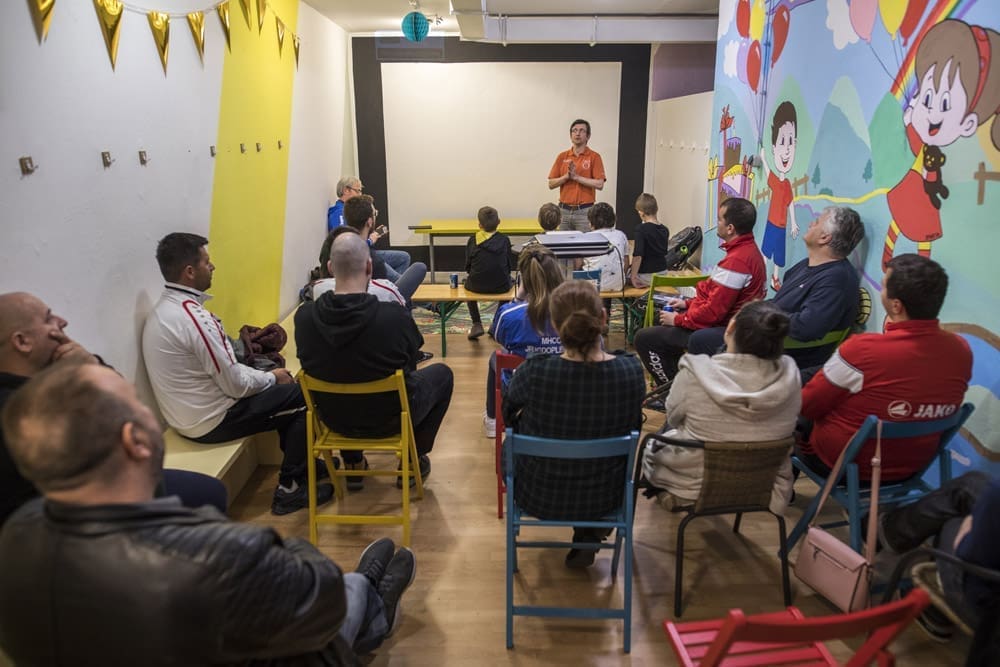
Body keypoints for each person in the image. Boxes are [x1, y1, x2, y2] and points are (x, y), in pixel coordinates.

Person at [0, 362, 416, 665]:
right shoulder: (216, 556)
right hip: (303, 628)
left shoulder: (16, 537)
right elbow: (322, 597)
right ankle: (375, 599)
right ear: (134, 442)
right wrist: (284, 548)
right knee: (345, 592)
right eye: (139, 403)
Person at [142, 233, 330, 515]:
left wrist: (267, 377)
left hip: (187, 417)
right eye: (207, 262)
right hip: (212, 420)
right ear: (189, 271)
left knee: (284, 395)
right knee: (303, 395)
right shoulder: (194, 319)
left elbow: (225, 372)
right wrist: (273, 377)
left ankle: (306, 466)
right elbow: (235, 385)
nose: (213, 266)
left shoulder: (165, 310)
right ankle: (290, 489)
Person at [0, 292, 227, 525]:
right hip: (78, 519)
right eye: (48, 318)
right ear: (22, 342)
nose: (62, 322)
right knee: (208, 496)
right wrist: (90, 370)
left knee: (209, 491)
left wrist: (91, 364)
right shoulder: (27, 411)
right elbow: (130, 423)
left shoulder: (44, 382)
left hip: (98, 489)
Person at [503, 280, 645, 568]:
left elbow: (508, 414)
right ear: (603, 317)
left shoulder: (535, 371)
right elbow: (633, 425)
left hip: (538, 494)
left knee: (513, 439)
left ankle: (587, 533)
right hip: (606, 496)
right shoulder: (631, 371)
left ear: (555, 326)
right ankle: (589, 532)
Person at [295, 232, 453, 490]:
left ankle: (353, 463)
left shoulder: (304, 319)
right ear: (369, 267)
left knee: (341, 373)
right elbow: (411, 357)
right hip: (391, 417)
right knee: (443, 375)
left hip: (332, 420)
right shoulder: (393, 317)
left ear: (330, 268)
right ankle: (411, 461)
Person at [798, 254, 972, 481]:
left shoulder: (862, 350)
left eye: (883, 286)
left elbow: (807, 406)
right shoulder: (961, 349)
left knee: (793, 411)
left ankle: (781, 492)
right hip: (914, 465)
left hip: (848, 464)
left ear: (896, 305)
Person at [641, 301, 801, 512]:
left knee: (656, 443)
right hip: (765, 487)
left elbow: (673, 417)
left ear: (730, 328)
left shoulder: (695, 373)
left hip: (694, 485)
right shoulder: (791, 376)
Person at [687, 206, 864, 374]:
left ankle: (715, 392)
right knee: (707, 333)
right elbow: (779, 303)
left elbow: (807, 327)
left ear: (824, 238)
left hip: (786, 352)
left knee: (701, 339)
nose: (811, 224)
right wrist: (751, 313)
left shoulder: (837, 279)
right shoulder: (805, 266)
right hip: (769, 337)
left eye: (816, 222)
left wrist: (759, 320)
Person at [633, 197, 766, 387]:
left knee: (644, 338)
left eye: (719, 219)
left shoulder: (737, 261)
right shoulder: (747, 252)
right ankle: (679, 384)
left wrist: (678, 320)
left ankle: (671, 391)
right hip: (723, 323)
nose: (717, 223)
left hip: (723, 330)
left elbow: (713, 312)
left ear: (730, 228)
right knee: (661, 318)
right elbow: (714, 296)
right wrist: (687, 303)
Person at [878, 472, 1000, 648]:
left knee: (954, 521)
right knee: (969, 486)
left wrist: (971, 524)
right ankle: (889, 532)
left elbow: (966, 551)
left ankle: (934, 610)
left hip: (987, 611)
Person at [482, 245, 565, 438]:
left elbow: (499, 337)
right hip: (567, 389)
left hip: (521, 393)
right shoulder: (577, 311)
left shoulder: (509, 314)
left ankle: (493, 419)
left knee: (497, 356)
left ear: (524, 280)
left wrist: (518, 298)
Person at [343, 195, 426, 300]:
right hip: (378, 298)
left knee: (403, 258)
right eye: (375, 214)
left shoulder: (342, 243)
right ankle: (421, 302)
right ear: (369, 222)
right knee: (413, 273)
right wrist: (370, 241)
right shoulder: (375, 263)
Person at [329, 176, 411, 280]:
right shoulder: (339, 213)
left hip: (366, 250)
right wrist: (370, 241)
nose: (360, 195)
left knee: (404, 258)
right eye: (358, 191)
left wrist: (372, 234)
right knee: (400, 280)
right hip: (358, 256)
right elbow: (346, 245)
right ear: (346, 190)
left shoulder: (348, 211)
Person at [759, 101, 801, 291]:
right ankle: (762, 276)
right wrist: (764, 159)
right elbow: (768, 173)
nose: (787, 150)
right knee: (767, 251)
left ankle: (775, 278)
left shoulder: (787, 185)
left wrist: (794, 223)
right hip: (772, 223)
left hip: (782, 226)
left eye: (791, 142)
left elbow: (790, 203)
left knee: (779, 255)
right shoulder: (776, 181)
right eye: (782, 142)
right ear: (774, 147)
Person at [311, 226, 406, 306]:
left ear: (330, 267)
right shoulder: (386, 290)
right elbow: (403, 310)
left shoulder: (316, 290)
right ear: (369, 267)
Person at [547, 119, 606, 232]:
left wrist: (576, 177)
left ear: (588, 136)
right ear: (570, 135)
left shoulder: (594, 157)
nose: (577, 133)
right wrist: (566, 177)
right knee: (563, 242)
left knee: (584, 242)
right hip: (563, 211)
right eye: (574, 130)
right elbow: (551, 184)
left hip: (585, 211)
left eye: (582, 130)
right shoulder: (562, 156)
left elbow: (600, 184)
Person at [464, 205, 513, 340]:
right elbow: (509, 265)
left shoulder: (473, 240)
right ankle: (495, 323)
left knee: (467, 283)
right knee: (509, 284)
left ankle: (476, 323)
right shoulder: (505, 240)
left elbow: (468, 267)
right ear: (499, 222)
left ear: (479, 225)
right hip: (500, 286)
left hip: (476, 286)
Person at [579, 202, 629, 293]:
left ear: (591, 222)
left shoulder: (586, 237)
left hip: (592, 286)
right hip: (618, 285)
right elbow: (626, 261)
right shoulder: (621, 235)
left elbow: (578, 263)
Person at [629, 193, 670, 288]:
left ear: (641, 213)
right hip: (663, 274)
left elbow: (638, 256)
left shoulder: (641, 229)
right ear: (656, 209)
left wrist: (633, 276)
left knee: (624, 277)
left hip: (646, 275)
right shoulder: (665, 230)